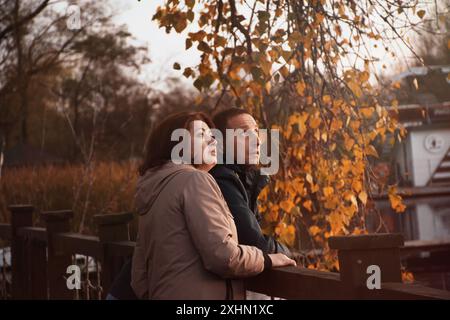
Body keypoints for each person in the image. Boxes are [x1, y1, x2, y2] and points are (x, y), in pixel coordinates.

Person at [129, 111, 295, 300]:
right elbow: (225, 257)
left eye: (212, 136)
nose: (213, 142)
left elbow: (139, 278)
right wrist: (268, 259)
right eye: (201, 135)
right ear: (176, 145)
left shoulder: (155, 188)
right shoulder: (195, 180)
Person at [210, 108, 291, 256]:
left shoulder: (243, 178)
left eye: (256, 132)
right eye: (245, 133)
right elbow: (256, 245)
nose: (258, 141)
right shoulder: (222, 179)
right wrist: (287, 253)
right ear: (221, 143)